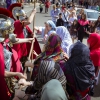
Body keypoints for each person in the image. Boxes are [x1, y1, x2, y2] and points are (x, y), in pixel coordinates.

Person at [0, 8, 29, 100]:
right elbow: (2, 73)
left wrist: (28, 40)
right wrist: (17, 73)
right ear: (4, 33)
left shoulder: (4, 40)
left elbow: (14, 39)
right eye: (8, 32)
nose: (11, 34)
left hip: (8, 74)